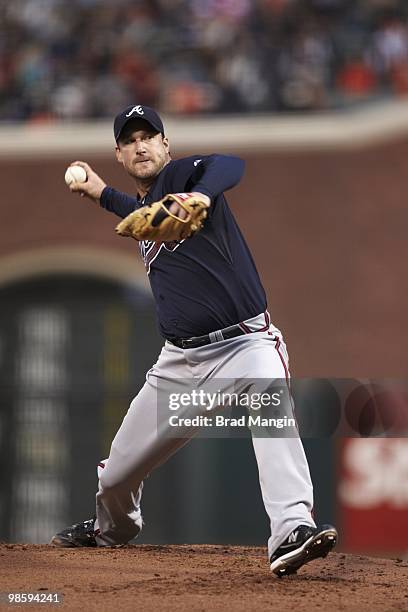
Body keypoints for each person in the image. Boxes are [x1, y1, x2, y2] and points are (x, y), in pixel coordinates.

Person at [50, 104, 337, 576]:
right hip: (179, 367)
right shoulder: (147, 209)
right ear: (120, 154)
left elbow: (231, 164)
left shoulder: (185, 176)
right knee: (118, 475)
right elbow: (135, 210)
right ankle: (111, 529)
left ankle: (291, 529)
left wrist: (201, 196)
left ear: (166, 145)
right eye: (130, 140)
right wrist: (97, 191)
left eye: (150, 136)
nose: (141, 145)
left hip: (246, 346)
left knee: (271, 407)